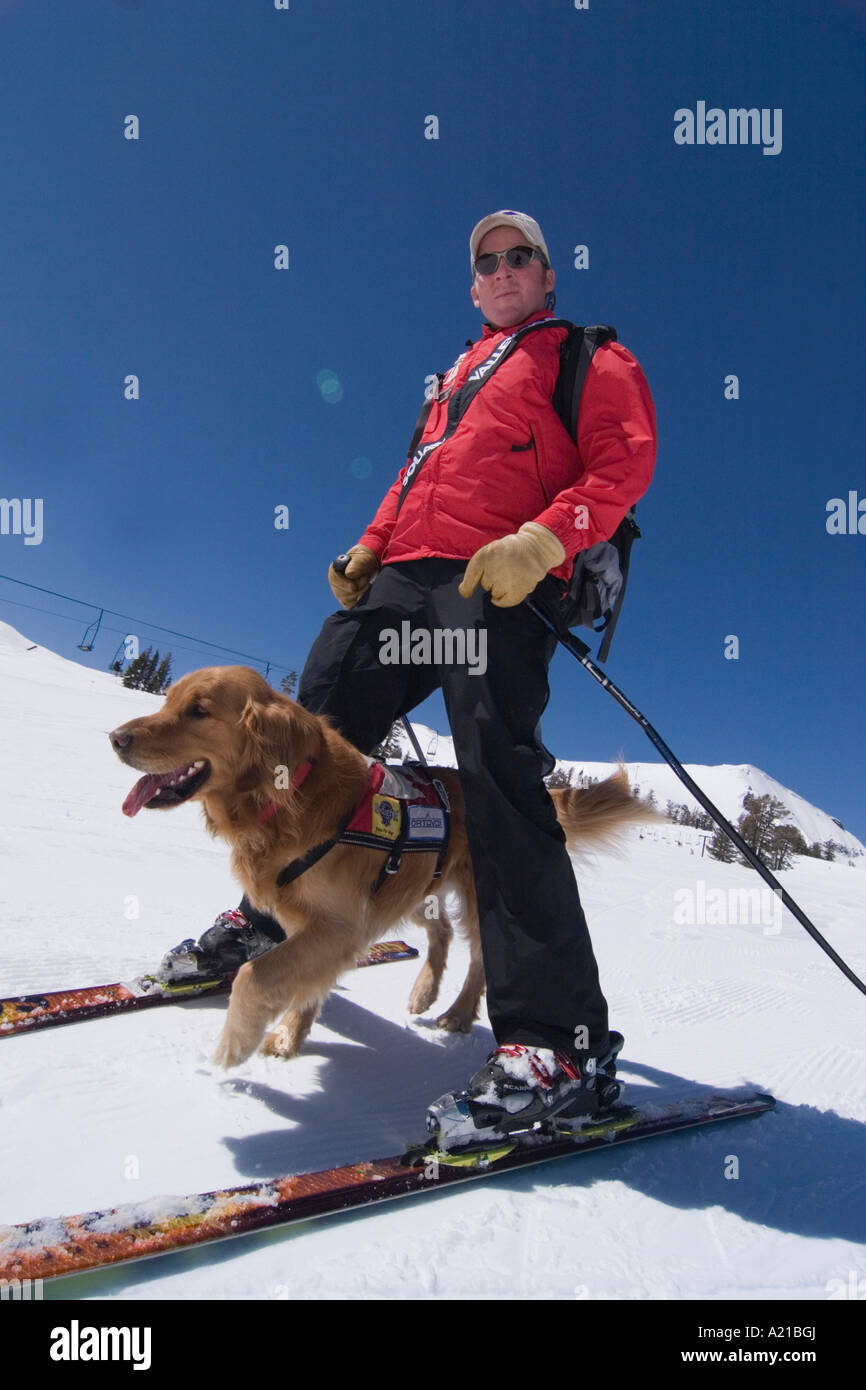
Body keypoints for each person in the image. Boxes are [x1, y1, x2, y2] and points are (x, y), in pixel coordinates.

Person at [162, 210, 657, 1140]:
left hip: (494, 578)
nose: (503, 268)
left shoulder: (585, 355)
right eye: (487, 261)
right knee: (296, 734)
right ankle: (274, 919)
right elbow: (416, 471)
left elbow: (625, 458)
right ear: (474, 288)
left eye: (521, 257)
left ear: (548, 277)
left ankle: (558, 1044)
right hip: (404, 580)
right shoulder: (456, 379)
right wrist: (370, 542)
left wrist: (547, 537)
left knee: (497, 779)